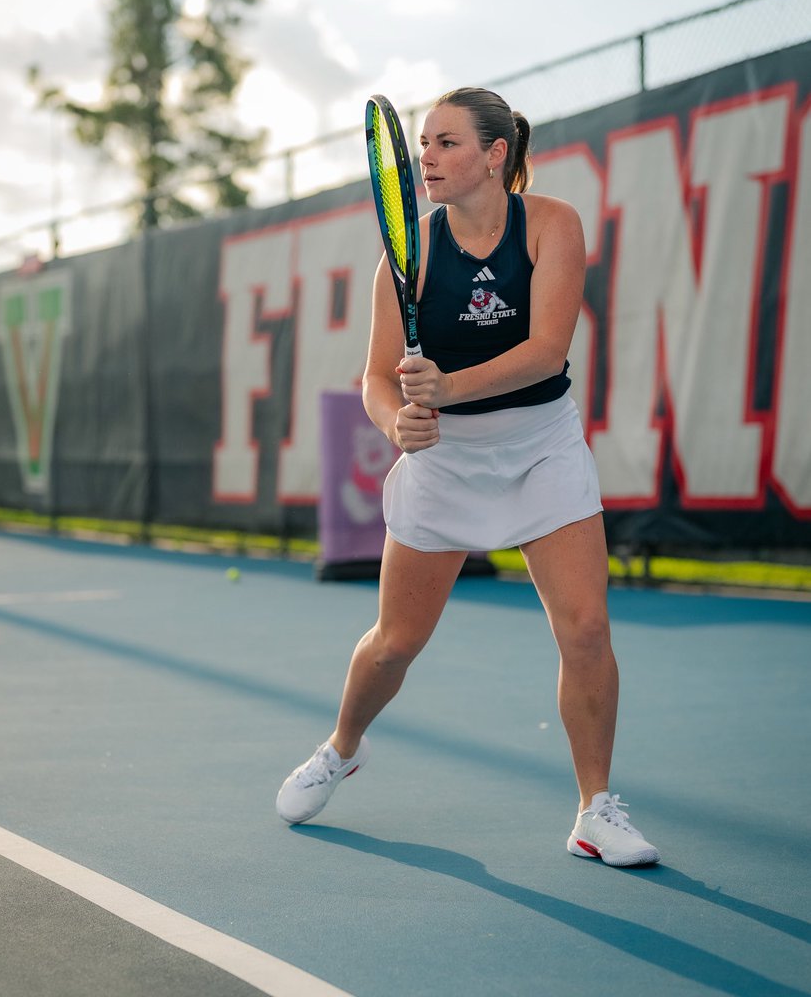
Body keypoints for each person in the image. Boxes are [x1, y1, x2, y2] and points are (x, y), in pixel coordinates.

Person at [276, 87, 659, 868]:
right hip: (443, 462)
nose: (426, 158)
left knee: (585, 630)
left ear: (496, 155)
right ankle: (343, 746)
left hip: (540, 446)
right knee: (394, 644)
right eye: (423, 144)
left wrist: (446, 389)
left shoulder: (551, 225)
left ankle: (595, 808)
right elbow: (378, 380)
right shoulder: (405, 257)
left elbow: (548, 350)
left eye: (447, 143)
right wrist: (396, 422)